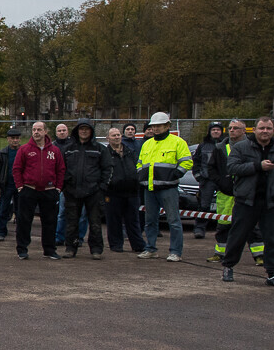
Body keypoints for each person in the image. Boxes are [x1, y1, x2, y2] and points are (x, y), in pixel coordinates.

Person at [221, 116, 274, 289]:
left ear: (273, 131)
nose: (265, 131)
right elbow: (232, 167)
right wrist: (258, 166)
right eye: (262, 128)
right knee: (237, 236)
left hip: (272, 202)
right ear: (254, 130)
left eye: (268, 128)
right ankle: (228, 267)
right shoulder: (241, 147)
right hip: (246, 201)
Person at [136, 111, 193, 261]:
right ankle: (151, 249)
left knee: (173, 221)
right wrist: (140, 174)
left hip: (168, 188)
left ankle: (175, 252)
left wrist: (176, 174)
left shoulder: (177, 142)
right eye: (153, 126)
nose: (155, 128)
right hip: (150, 188)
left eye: (159, 126)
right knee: (150, 221)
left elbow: (187, 161)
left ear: (167, 126)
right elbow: (140, 163)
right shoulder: (147, 144)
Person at [211, 119, 262, 266]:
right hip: (225, 194)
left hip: (247, 193)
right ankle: (221, 254)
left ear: (244, 131)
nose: (232, 130)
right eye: (230, 128)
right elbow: (211, 168)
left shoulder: (252, 147)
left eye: (236, 128)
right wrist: (221, 183)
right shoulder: (220, 147)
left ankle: (260, 255)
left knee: (252, 226)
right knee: (223, 225)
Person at [13, 120, 64, 260]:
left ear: (45, 132)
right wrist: (20, 186)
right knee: (24, 221)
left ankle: (49, 250)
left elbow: (61, 169)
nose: (36, 132)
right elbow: (17, 169)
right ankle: (22, 249)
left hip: (49, 190)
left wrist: (58, 188)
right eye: (34, 130)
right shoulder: (24, 149)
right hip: (29, 190)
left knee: (50, 221)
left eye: (39, 129)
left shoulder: (55, 151)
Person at [60, 118, 111, 259]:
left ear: (91, 131)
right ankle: (71, 248)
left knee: (95, 223)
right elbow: (61, 169)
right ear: (77, 131)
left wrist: (102, 187)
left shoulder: (100, 149)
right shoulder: (68, 149)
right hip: (72, 191)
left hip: (94, 192)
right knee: (71, 222)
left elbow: (107, 169)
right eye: (81, 129)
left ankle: (96, 250)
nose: (83, 131)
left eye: (86, 129)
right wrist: (64, 186)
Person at [103, 126, 146, 254]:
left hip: (132, 191)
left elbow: (139, 166)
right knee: (114, 220)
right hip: (113, 192)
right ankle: (116, 245)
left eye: (118, 135)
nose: (116, 137)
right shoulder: (105, 154)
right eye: (113, 135)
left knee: (133, 220)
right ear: (108, 138)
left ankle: (138, 245)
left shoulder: (130, 152)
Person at [191, 121, 225, 241]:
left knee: (225, 206)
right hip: (207, 180)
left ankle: (224, 229)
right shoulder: (203, 146)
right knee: (204, 205)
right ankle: (199, 228)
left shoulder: (226, 145)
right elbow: (195, 162)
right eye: (213, 129)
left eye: (218, 129)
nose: (215, 131)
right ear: (209, 132)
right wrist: (198, 176)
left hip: (222, 180)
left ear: (221, 132)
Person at [0, 127, 22, 242]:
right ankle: (1, 231)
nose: (15, 140)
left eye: (17, 138)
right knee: (3, 209)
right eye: (12, 138)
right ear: (8, 139)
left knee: (20, 210)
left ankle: (20, 232)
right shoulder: (2, 153)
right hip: (6, 185)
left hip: (20, 186)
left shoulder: (23, 152)